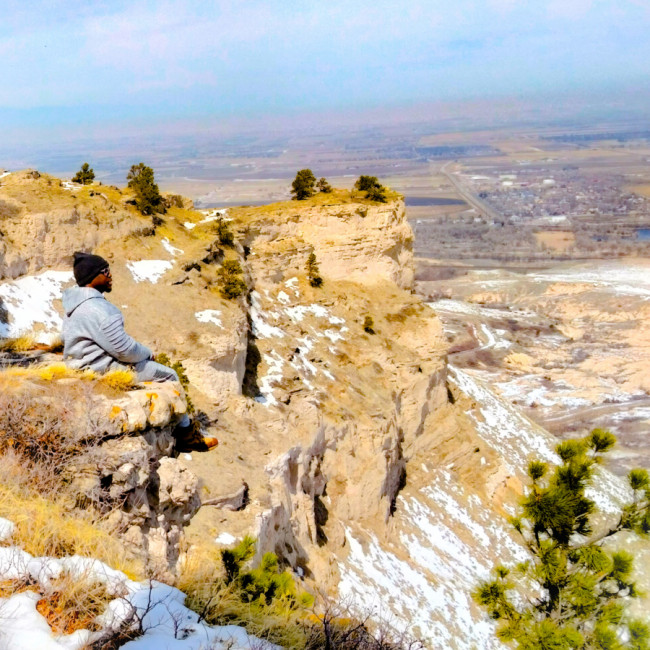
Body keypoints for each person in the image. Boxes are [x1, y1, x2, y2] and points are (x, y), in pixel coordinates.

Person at [62, 251, 217, 451]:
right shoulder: (100, 310)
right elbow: (124, 350)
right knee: (169, 374)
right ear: (93, 278)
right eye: (105, 271)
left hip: (79, 365)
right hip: (101, 370)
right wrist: (147, 353)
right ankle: (187, 435)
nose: (110, 275)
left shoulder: (74, 305)